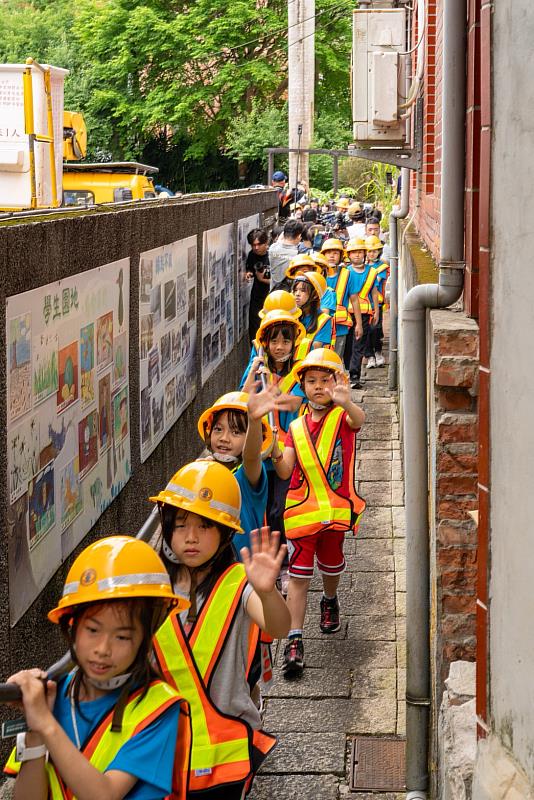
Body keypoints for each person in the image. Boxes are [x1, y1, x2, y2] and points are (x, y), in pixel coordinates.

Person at [4, 536, 190, 799]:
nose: (103, 649)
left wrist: (45, 723)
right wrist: (34, 731)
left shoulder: (158, 709)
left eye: (122, 637)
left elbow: (105, 795)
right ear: (72, 627)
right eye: (92, 630)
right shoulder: (53, 694)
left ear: (144, 639)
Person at [151, 460, 290, 798]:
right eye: (180, 525)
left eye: (205, 526)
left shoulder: (238, 583)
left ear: (226, 532)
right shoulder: (152, 587)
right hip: (163, 748)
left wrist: (267, 592)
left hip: (225, 752)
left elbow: (278, 626)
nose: (191, 537)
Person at [267, 348, 366, 677]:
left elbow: (359, 420)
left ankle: (329, 598)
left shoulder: (342, 417)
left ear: (337, 382)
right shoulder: (295, 427)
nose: (319, 386)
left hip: (335, 513)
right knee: (298, 576)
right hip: (301, 513)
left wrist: (346, 401)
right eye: (312, 381)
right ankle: (295, 639)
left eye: (326, 379)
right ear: (303, 386)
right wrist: (274, 451)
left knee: (332, 565)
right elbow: (285, 471)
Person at [197, 390, 274, 555]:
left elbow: (251, 456)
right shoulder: (203, 469)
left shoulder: (248, 473)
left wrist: (254, 421)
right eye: (218, 429)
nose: (224, 438)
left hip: (244, 564)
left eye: (236, 432)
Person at [345, 238, 380, 389]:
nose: (357, 255)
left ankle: (354, 376)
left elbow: (374, 292)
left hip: (365, 313)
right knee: (347, 344)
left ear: (364, 254)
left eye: (360, 252)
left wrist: (376, 311)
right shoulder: (346, 272)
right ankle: (346, 371)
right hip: (347, 312)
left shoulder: (371, 272)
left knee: (359, 344)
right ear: (349, 255)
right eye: (354, 252)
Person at [320, 238, 363, 358]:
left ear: (341, 256)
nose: (331, 256)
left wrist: (359, 324)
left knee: (335, 360)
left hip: (340, 327)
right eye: (328, 253)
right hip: (320, 327)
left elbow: (355, 300)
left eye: (335, 253)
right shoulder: (317, 274)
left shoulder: (348, 274)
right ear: (323, 255)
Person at [291, 271, 333, 358]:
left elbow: (316, 350)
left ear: (315, 295)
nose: (297, 294)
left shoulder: (323, 320)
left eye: (303, 290)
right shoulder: (291, 315)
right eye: (295, 290)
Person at [365, 235, 389, 368]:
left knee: (376, 329)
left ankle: (378, 352)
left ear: (379, 251)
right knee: (367, 331)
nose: (371, 254)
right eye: (369, 251)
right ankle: (369, 356)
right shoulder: (362, 266)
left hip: (376, 303)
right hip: (363, 303)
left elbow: (375, 281)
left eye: (374, 251)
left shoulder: (381, 267)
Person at [245, 228, 270, 345]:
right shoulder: (252, 255)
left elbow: (279, 280)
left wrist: (263, 279)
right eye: (253, 245)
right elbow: (249, 268)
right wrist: (249, 273)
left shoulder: (273, 256)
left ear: (266, 243)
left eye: (259, 244)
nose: (256, 248)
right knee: (255, 330)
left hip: (271, 297)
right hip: (257, 297)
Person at [268, 219, 304, 288]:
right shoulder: (298, 256)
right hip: (288, 293)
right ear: (299, 236)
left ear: (283, 233)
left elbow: (279, 240)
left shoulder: (272, 248)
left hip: (273, 292)